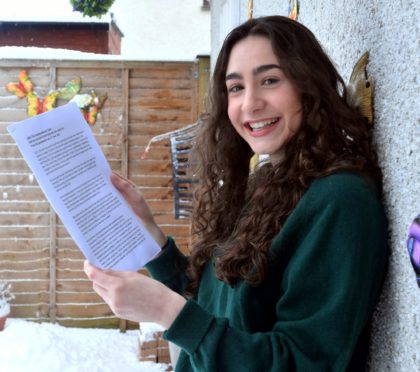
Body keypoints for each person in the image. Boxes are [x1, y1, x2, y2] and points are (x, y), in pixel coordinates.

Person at [84, 16, 388, 371]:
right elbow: (218, 305)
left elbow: (304, 361)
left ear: (308, 85)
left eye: (270, 80)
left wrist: (168, 312)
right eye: (236, 87)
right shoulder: (268, 181)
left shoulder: (340, 202)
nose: (250, 104)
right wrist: (151, 238)